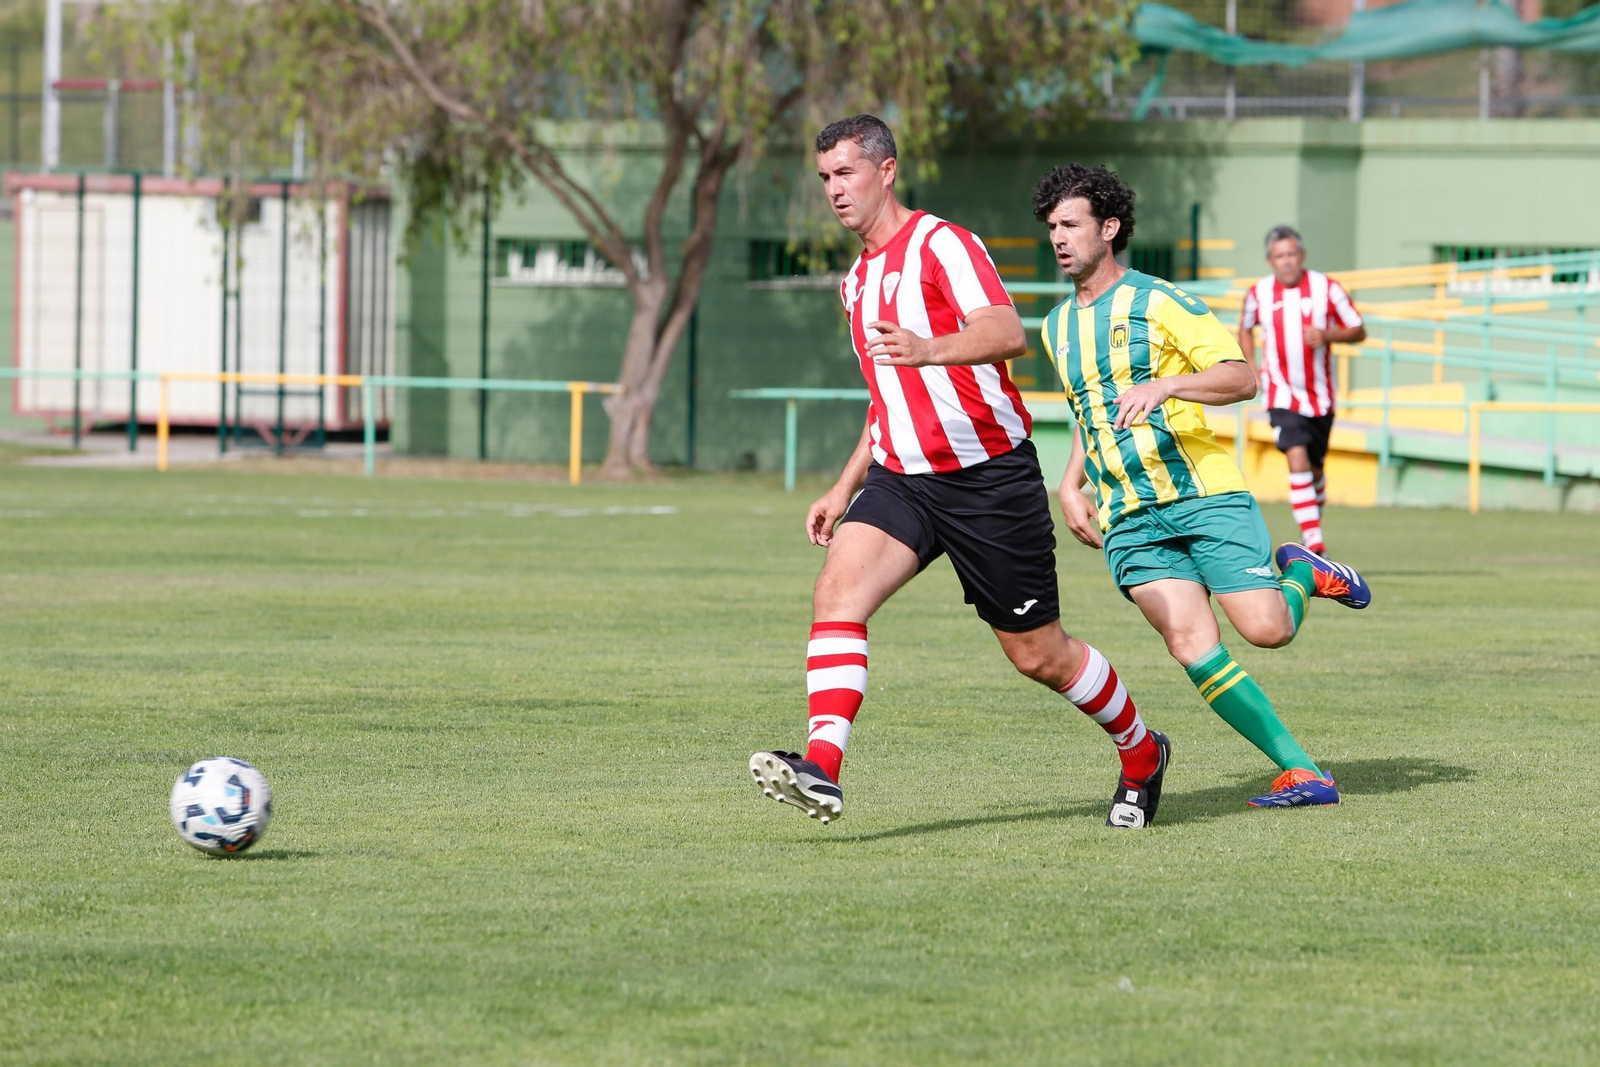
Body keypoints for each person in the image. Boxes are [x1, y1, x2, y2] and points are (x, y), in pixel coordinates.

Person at [748, 117, 1171, 830]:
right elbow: (889, 397)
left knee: (1041, 656)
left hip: (989, 480)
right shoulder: (857, 282)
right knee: (836, 593)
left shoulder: (944, 244)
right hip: (903, 478)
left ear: (886, 172)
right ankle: (822, 764)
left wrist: (928, 347)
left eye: (846, 173)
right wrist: (844, 484)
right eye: (825, 177)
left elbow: (1007, 332)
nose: (834, 190)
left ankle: (1141, 751)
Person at [1033, 164, 1372, 808]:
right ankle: (1303, 771)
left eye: (1071, 224)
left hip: (1202, 494)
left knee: (1268, 630)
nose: (1059, 237)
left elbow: (1242, 377)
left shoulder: (1160, 301)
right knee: (1191, 644)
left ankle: (1303, 572)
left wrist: (1167, 384)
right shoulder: (1054, 328)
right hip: (1129, 516)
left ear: (1109, 229)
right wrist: (1071, 482)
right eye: (1052, 227)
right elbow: (1092, 409)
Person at [1238, 226, 1367, 555]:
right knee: (1295, 457)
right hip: (1281, 394)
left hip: (1321, 397)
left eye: (1292, 254)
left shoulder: (1327, 288)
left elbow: (1358, 329)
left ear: (1302, 255)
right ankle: (1315, 543)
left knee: (1315, 470)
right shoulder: (1259, 293)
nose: (1287, 261)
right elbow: (1245, 326)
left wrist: (1328, 336)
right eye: (1280, 256)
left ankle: (1311, 526)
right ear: (1270, 260)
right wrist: (1251, 365)